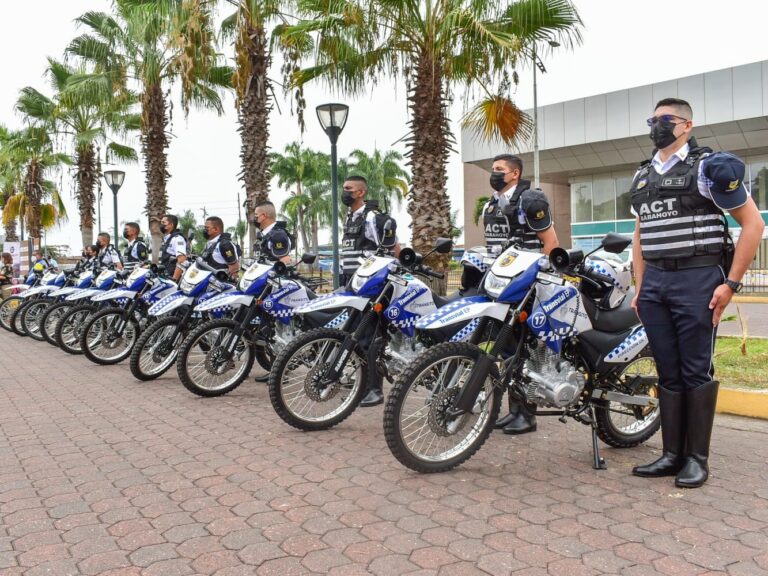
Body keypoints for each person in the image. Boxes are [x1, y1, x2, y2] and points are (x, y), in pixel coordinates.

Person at [630, 98, 764, 488]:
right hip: (655, 282)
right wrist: (641, 288)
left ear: (687, 125)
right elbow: (640, 237)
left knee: (694, 371)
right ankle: (671, 455)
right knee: (667, 371)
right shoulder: (642, 176)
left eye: (665, 120)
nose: (656, 126)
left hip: (698, 278)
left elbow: (752, 226)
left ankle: (696, 460)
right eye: (652, 119)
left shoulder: (709, 168)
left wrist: (731, 284)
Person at [470, 154, 559, 436]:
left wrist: (545, 281)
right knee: (507, 350)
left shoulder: (529, 200)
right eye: (492, 169)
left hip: (529, 288)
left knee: (526, 349)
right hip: (502, 287)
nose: (494, 174)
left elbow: (551, 242)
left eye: (500, 170)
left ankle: (527, 415)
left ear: (515, 174)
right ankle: (515, 410)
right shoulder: (490, 206)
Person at [340, 175, 400, 407]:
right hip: (352, 282)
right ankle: (361, 383)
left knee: (369, 337)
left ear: (361, 192)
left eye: (349, 188)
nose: (345, 192)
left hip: (371, 286)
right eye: (344, 188)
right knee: (354, 334)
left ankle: (374, 389)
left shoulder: (372, 217)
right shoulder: (350, 217)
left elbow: (391, 247)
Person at [159, 214, 189, 281]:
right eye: (161, 223)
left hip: (171, 278)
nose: (161, 225)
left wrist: (174, 279)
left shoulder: (177, 238)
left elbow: (181, 260)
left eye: (163, 223)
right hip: (165, 276)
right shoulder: (168, 238)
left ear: (171, 225)